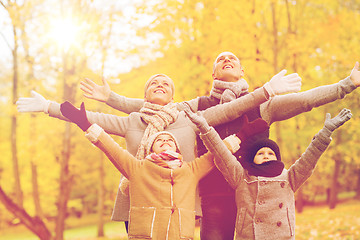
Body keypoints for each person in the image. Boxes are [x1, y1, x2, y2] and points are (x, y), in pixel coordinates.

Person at [80, 54, 360, 239]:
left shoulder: (264, 103)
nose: (226, 59)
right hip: (214, 195)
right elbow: (155, 107)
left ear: (241, 70)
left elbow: (306, 100)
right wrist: (112, 98)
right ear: (213, 71)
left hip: (255, 192)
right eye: (220, 58)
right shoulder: (197, 106)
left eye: (233, 59)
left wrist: (346, 84)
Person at [16, 72, 300, 232]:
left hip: (183, 203)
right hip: (138, 202)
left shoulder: (189, 118)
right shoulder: (131, 121)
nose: (160, 85)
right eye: (154, 83)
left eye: (166, 83)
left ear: (174, 95)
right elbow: (89, 121)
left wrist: (266, 91)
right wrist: (47, 107)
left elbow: (231, 108)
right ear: (145, 94)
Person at [58, 101, 241, 239]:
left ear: (177, 149)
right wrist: (84, 123)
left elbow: (216, 153)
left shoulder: (190, 170)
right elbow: (110, 147)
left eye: (170, 141)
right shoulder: (138, 168)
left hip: (181, 234)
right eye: (159, 141)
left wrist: (242, 135)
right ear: (151, 148)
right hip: (147, 234)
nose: (165, 142)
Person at [186, 107, 352, 239]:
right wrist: (204, 127)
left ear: (277, 158)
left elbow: (310, 157)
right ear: (252, 159)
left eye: (270, 153)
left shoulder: (289, 178)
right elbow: (221, 153)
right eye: (261, 153)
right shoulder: (242, 177)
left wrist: (326, 132)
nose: (266, 155)